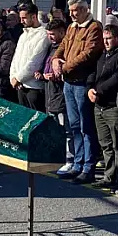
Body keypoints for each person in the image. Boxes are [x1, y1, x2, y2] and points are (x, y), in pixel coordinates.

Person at [51, 0, 104, 183]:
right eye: (70, 10)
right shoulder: (72, 27)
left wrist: (64, 67)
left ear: (84, 9)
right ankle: (77, 162)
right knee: (73, 125)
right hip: (69, 83)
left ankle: (88, 166)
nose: (72, 14)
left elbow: (88, 54)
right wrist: (56, 60)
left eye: (75, 10)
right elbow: (63, 45)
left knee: (85, 126)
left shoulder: (94, 27)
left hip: (82, 82)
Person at [87, 24, 118, 191]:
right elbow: (93, 73)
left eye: (109, 38)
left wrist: (99, 91)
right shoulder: (102, 54)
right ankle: (109, 176)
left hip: (113, 105)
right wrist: (90, 89)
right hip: (98, 105)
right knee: (105, 144)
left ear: (117, 38)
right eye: (104, 39)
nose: (105, 42)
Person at [8, 2, 50, 111]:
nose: (21, 21)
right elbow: (16, 58)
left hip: (34, 87)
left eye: (24, 18)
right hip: (20, 85)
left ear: (34, 16)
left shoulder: (44, 35)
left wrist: (18, 78)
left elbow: (35, 61)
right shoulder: (23, 34)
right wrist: (13, 77)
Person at [42, 20, 72, 172]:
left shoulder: (65, 49)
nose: (50, 37)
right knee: (54, 129)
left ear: (62, 32)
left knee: (66, 130)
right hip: (50, 94)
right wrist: (42, 75)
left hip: (61, 95)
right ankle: (55, 157)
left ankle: (69, 158)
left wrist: (56, 76)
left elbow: (66, 71)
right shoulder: (51, 48)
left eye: (53, 34)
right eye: (48, 35)